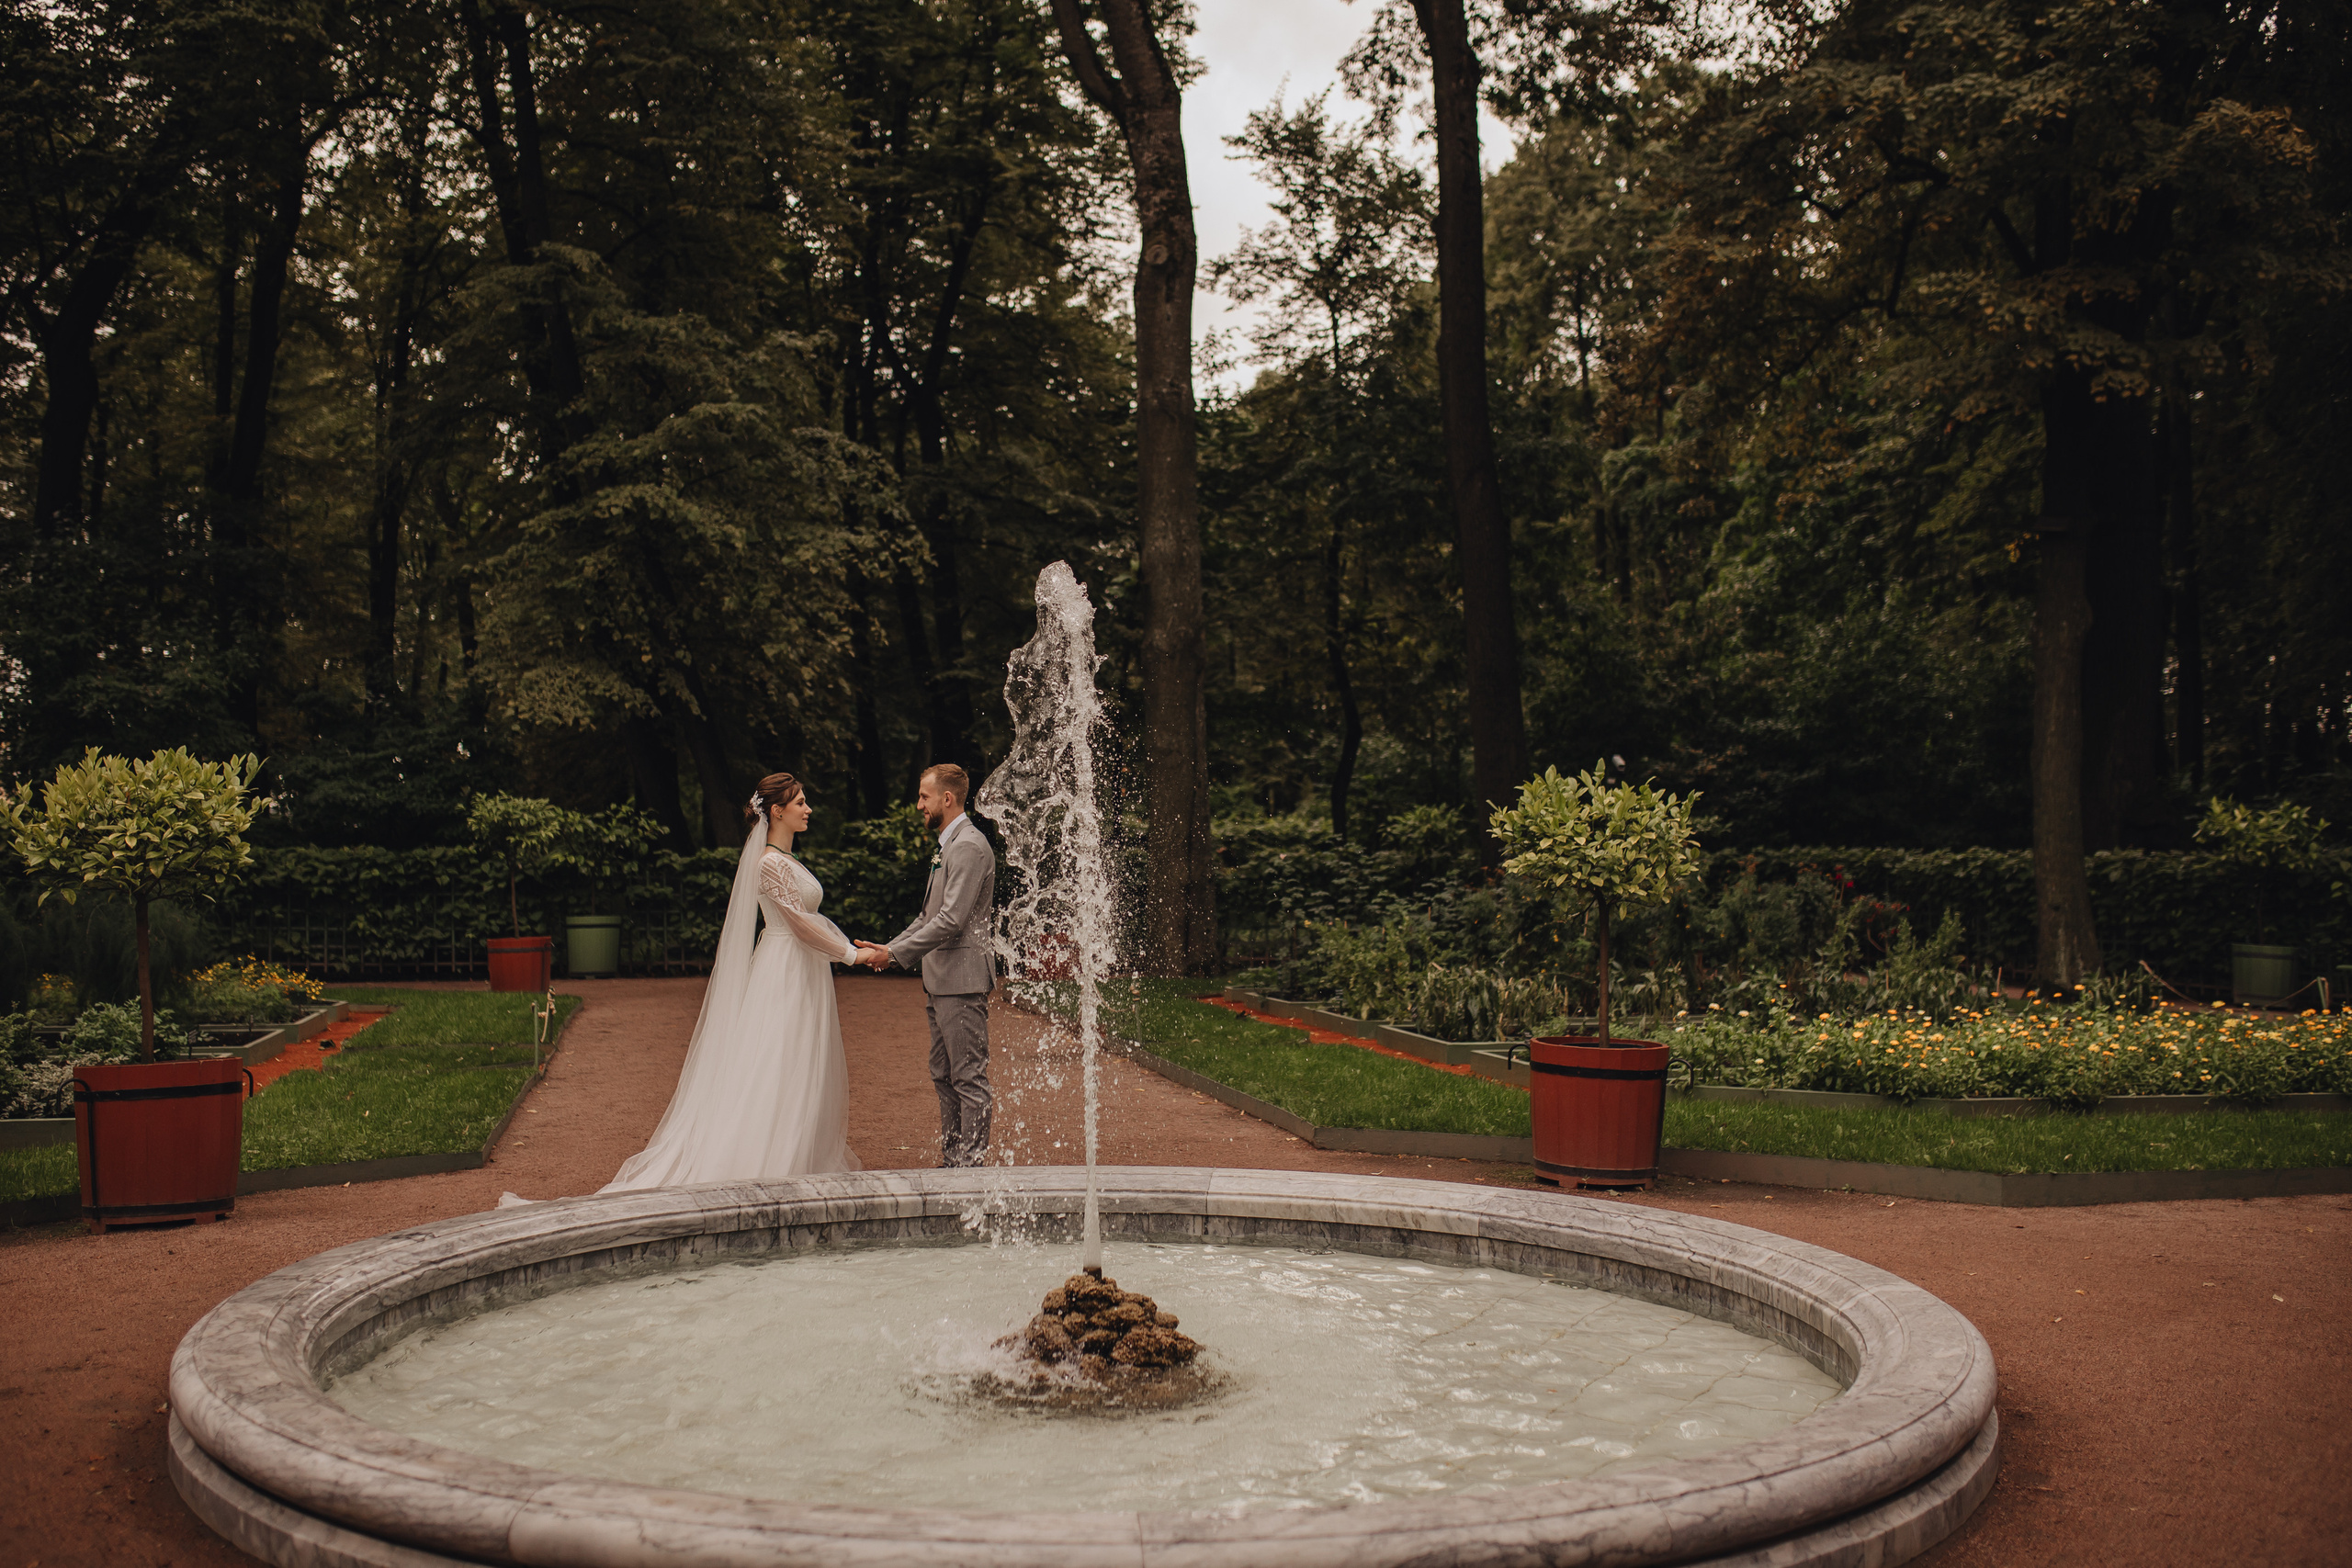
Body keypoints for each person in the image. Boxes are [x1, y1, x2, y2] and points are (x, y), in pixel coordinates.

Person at [595, 773, 863, 1190]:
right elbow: (798, 925)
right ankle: (764, 1162)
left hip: (802, 968)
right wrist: (849, 953)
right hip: (784, 970)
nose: (808, 809)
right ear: (777, 811)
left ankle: (796, 1154)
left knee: (797, 1059)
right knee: (776, 1060)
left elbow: (807, 923)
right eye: (800, 803)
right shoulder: (770, 863)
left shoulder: (787, 860)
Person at [854, 763, 998, 1167]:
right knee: (943, 1074)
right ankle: (953, 1161)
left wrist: (895, 955)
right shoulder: (949, 846)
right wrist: (888, 948)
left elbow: (951, 921)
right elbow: (927, 917)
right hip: (940, 981)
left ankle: (970, 1168)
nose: (919, 805)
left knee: (968, 1078)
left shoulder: (968, 846)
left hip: (961, 980)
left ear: (946, 799)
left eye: (924, 797)